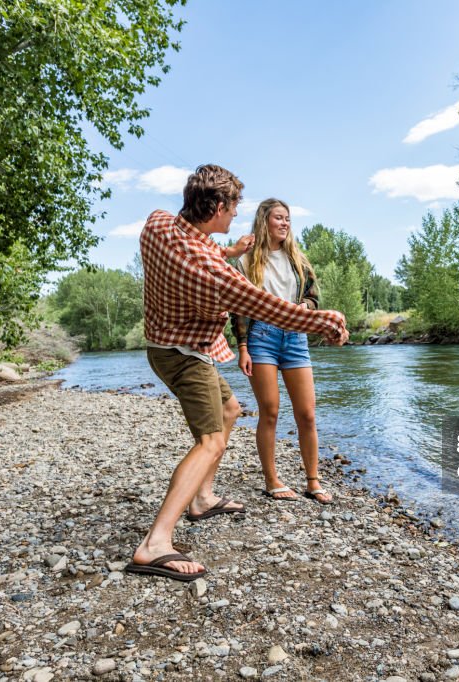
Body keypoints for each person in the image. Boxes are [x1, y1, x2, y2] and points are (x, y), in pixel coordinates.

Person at [127, 165, 349, 582]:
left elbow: (204, 253)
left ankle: (203, 499)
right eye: (231, 210)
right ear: (215, 208)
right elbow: (265, 306)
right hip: (183, 354)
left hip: (166, 343)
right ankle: (155, 543)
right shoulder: (213, 274)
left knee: (230, 410)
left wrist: (227, 252)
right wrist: (324, 321)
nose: (233, 220)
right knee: (211, 441)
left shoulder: (157, 223)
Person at [231, 198, 333, 504]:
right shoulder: (247, 261)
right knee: (271, 411)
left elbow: (314, 297)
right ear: (265, 221)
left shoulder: (298, 260)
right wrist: (243, 346)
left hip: (296, 338)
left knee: (307, 414)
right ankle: (272, 481)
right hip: (261, 336)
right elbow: (238, 307)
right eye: (279, 218)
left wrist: (307, 306)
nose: (285, 223)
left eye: (287, 218)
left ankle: (313, 482)